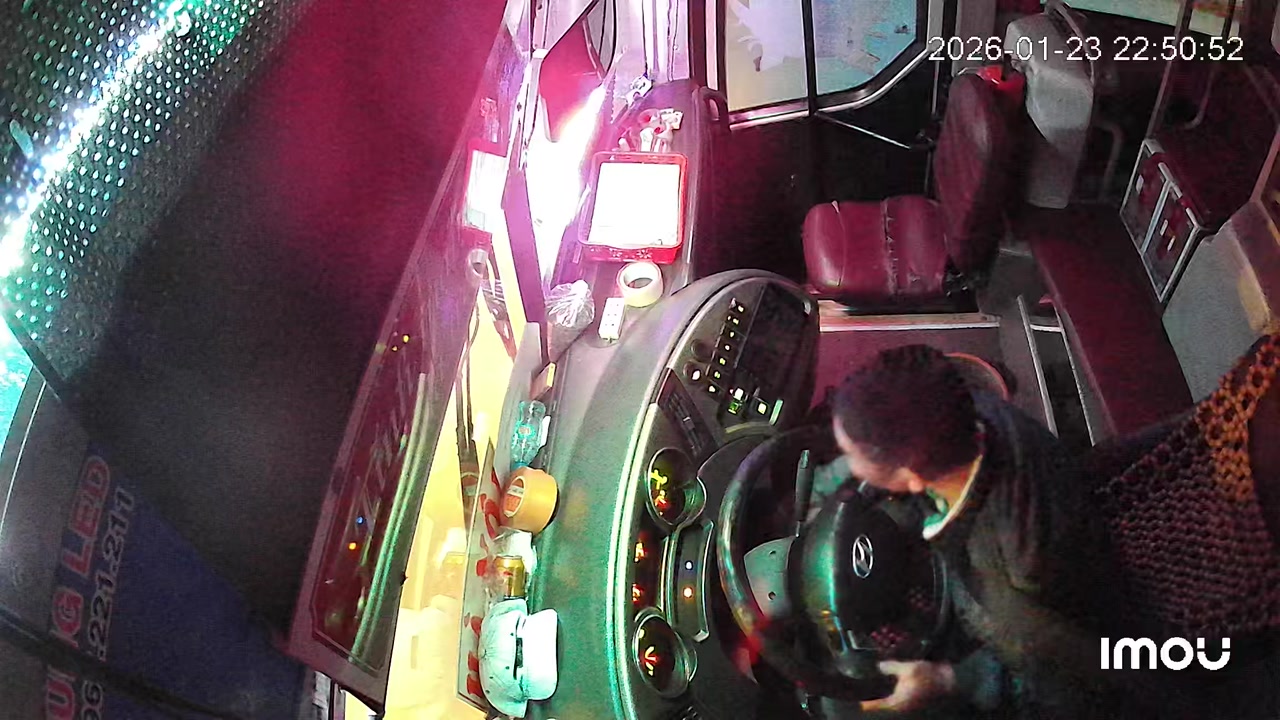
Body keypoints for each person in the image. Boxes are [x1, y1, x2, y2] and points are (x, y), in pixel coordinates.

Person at [809, 344, 1167, 718]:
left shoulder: (1023, 576)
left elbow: (1065, 676)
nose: (848, 462)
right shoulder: (967, 409)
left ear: (912, 477)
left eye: (851, 454)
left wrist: (949, 679)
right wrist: (818, 491)